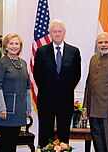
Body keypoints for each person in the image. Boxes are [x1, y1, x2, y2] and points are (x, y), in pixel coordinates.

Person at [33, 19, 81, 148]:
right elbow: (37, 74)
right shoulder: (41, 51)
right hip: (46, 98)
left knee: (64, 133)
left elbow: (77, 75)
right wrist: (49, 89)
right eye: (54, 31)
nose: (57, 34)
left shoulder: (74, 51)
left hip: (65, 99)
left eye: (60, 31)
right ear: (50, 33)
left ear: (64, 33)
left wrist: (64, 89)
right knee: (45, 133)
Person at [0, 33, 32, 152]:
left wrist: (28, 106)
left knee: (13, 141)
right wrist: (1, 108)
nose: (14, 46)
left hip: (19, 110)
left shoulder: (23, 63)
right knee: (6, 144)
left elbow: (27, 86)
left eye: (17, 43)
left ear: (20, 46)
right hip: (5, 111)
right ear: (6, 46)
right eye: (11, 43)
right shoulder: (1, 62)